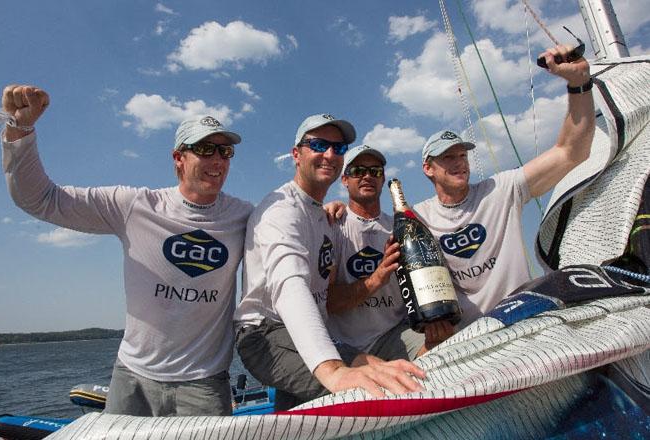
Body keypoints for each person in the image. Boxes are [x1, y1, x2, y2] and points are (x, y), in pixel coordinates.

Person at [0, 84, 253, 416]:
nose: (217, 160)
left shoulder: (245, 217)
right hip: (132, 380)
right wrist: (19, 129)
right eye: (205, 149)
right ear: (179, 158)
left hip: (203, 385)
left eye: (225, 152)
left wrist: (332, 214)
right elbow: (40, 198)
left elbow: (291, 232)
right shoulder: (134, 205)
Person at [234, 114, 425, 411]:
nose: (329, 154)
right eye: (319, 144)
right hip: (267, 333)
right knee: (365, 389)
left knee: (371, 368)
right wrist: (332, 371)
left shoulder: (324, 216)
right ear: (296, 154)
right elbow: (289, 286)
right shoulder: (281, 211)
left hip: (309, 331)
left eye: (338, 147)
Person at [413, 44, 596, 329]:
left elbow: (571, 152)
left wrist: (580, 83)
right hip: (467, 336)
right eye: (448, 157)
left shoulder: (501, 190)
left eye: (462, 155)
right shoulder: (418, 218)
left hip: (526, 321)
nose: (459, 162)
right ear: (428, 169)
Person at [326, 144, 452, 360]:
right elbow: (330, 302)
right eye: (358, 171)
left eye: (375, 171)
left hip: (394, 335)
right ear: (345, 180)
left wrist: (433, 332)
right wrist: (377, 277)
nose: (367, 176)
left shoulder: (399, 227)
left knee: (445, 348)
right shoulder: (332, 225)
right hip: (343, 345)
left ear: (383, 180)